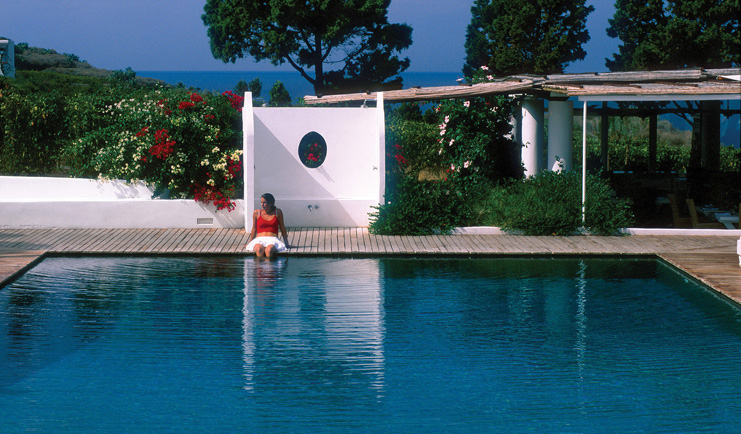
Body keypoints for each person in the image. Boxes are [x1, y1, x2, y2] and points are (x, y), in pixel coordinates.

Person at [246, 193, 289, 258]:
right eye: (261, 202)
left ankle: (268, 266)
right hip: (259, 239)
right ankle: (260, 267)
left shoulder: (278, 212)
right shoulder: (257, 213)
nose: (262, 204)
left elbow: (282, 228)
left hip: (273, 239)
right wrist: (250, 242)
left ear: (271, 203)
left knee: (269, 250)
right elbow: (254, 229)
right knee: (259, 249)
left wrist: (286, 243)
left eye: (264, 202)